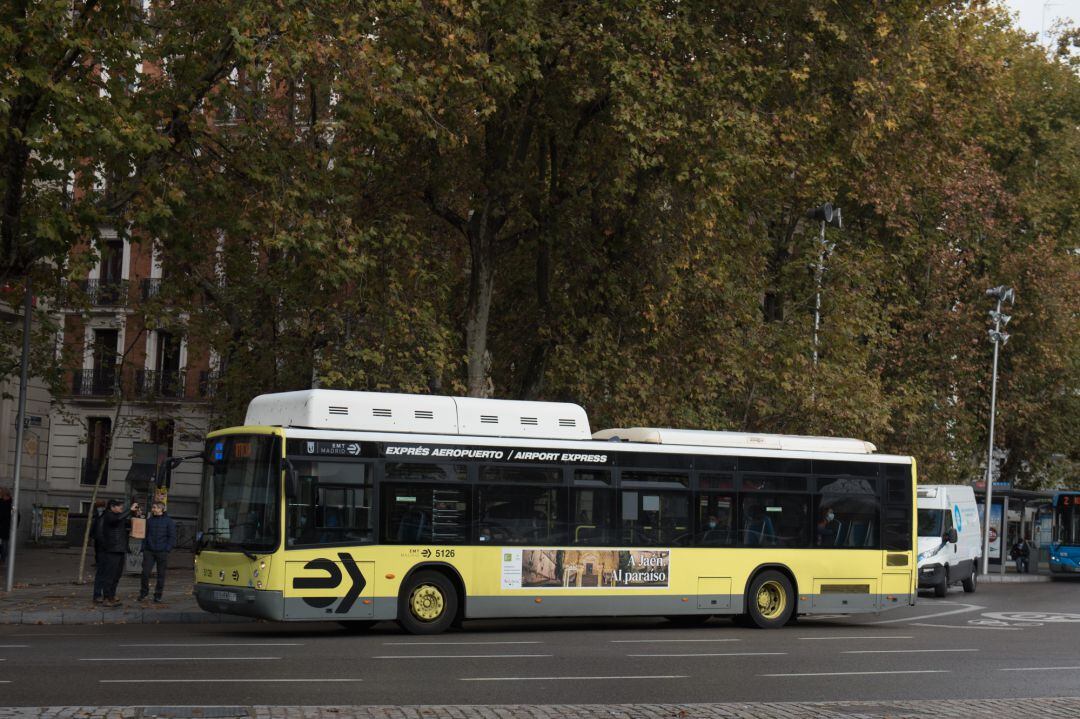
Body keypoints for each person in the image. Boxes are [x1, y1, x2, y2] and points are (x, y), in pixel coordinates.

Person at [100, 499, 137, 606]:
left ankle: (112, 595)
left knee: (117, 575)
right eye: (119, 506)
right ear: (112, 507)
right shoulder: (108, 515)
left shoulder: (118, 516)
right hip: (112, 549)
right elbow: (117, 520)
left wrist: (135, 514)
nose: (121, 508)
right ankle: (106, 598)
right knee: (110, 575)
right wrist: (129, 510)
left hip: (120, 549)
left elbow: (127, 522)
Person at [140, 501, 176, 602]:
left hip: (162, 552)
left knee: (161, 574)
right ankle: (143, 592)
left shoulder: (169, 521)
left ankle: (158, 595)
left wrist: (167, 549)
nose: (153, 509)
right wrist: (144, 548)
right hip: (149, 551)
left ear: (161, 509)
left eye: (155, 507)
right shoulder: (149, 520)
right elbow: (145, 535)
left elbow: (172, 537)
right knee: (145, 573)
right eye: (153, 507)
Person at [89, 499, 108, 603]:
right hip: (102, 546)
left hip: (102, 545)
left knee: (103, 572)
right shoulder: (99, 516)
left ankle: (102, 594)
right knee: (102, 572)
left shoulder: (99, 516)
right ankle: (99, 594)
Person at [0, 487, 12, 564]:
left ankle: (3, 559)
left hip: (5, 526)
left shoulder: (10, 503)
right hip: (2, 526)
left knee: (5, 543)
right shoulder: (1, 502)